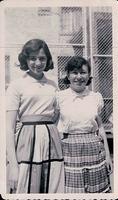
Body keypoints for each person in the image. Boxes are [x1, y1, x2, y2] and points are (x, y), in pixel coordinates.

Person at [6, 39, 64, 193]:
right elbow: (8, 127)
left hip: (51, 142)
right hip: (27, 142)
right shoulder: (16, 85)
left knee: (51, 185)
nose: (37, 63)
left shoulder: (53, 84)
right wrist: (12, 164)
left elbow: (56, 115)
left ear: (48, 60)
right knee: (24, 187)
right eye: (32, 58)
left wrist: (47, 131)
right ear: (25, 59)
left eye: (42, 58)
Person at [57, 56, 112, 193]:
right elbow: (53, 126)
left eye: (83, 72)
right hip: (68, 151)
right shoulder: (59, 97)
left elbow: (100, 128)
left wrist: (107, 156)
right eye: (74, 72)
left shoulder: (95, 97)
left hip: (94, 150)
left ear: (89, 76)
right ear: (68, 75)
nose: (79, 77)